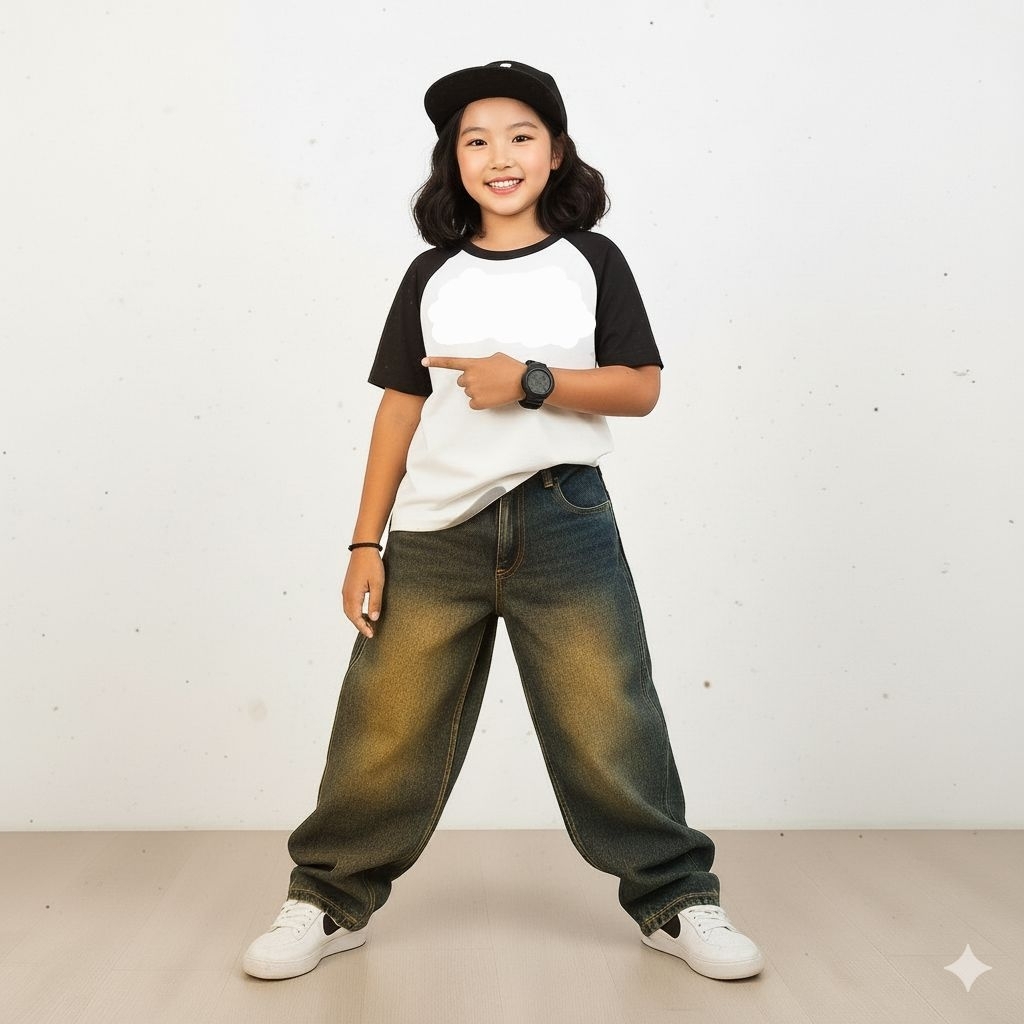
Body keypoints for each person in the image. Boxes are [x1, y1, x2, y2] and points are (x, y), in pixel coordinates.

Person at [243, 59, 764, 983]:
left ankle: (676, 900)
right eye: (475, 140)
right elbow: (399, 409)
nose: (499, 156)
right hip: (434, 536)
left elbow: (641, 388)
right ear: (454, 160)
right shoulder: (431, 274)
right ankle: (328, 899)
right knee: (385, 724)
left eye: (521, 136)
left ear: (556, 153)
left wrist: (530, 381)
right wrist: (364, 542)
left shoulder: (593, 262)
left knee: (609, 717)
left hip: (564, 518)